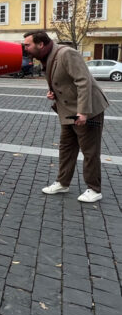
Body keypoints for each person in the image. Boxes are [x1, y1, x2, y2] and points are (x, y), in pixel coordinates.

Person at [23, 31, 109, 202]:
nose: (25, 48)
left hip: (87, 109)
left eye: (28, 45)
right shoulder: (47, 56)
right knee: (66, 148)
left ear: (40, 44)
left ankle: (94, 189)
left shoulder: (66, 53)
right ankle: (63, 183)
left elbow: (84, 81)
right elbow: (63, 81)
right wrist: (53, 93)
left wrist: (83, 112)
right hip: (68, 110)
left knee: (90, 151)